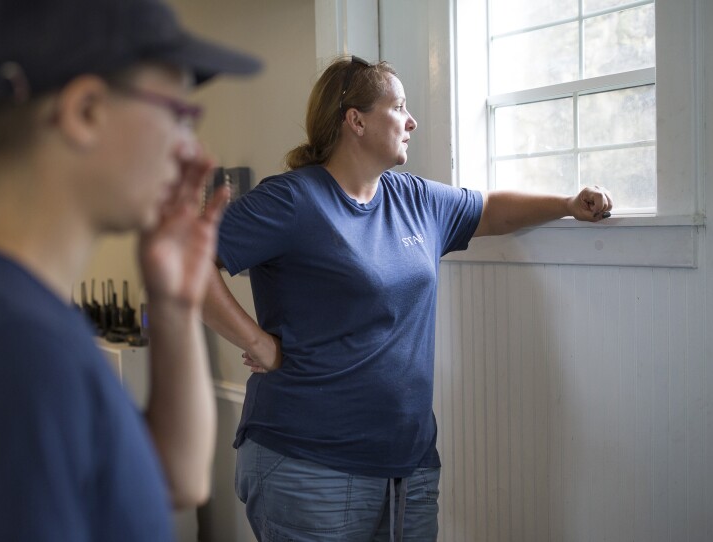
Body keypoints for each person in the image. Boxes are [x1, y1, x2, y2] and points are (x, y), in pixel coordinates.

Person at [0, 0, 259, 540]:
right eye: (176, 112)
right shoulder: (11, 350)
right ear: (85, 112)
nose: (190, 147)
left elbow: (172, 480)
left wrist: (174, 303)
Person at [202, 56, 612, 541]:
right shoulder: (293, 200)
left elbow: (490, 210)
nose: (412, 120)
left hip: (409, 467)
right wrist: (257, 340)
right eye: (398, 106)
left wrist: (567, 205)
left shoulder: (414, 198)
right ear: (355, 120)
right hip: (309, 463)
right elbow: (183, 262)